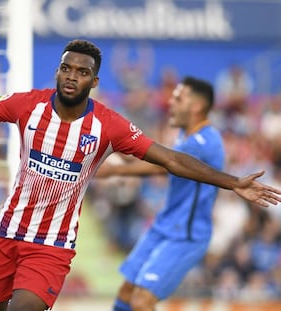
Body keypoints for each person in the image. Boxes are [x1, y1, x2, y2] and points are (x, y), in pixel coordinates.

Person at [0, 40, 280, 311]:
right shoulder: (26, 105)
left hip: (51, 247)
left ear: (94, 81)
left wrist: (233, 182)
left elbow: (169, 159)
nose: (71, 76)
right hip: (6, 235)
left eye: (81, 72)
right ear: (58, 72)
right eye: (66, 68)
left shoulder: (109, 125)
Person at [94, 76, 265, 311]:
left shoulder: (206, 141)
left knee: (142, 302)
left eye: (178, 98)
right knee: (126, 292)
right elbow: (162, 159)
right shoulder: (187, 135)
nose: (170, 102)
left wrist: (117, 169)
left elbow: (164, 164)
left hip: (185, 234)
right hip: (163, 226)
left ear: (196, 106)